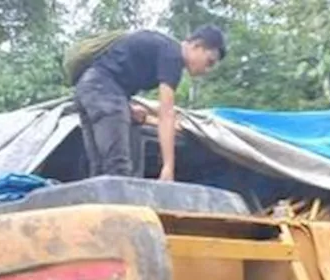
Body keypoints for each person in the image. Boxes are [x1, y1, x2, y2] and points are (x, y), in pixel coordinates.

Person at [71, 26, 226, 181]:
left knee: (99, 167)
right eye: (209, 62)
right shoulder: (173, 56)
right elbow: (166, 115)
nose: (207, 70)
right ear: (196, 46)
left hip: (87, 89)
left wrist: (127, 108)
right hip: (101, 88)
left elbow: (117, 71)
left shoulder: (163, 47)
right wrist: (168, 167)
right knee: (117, 169)